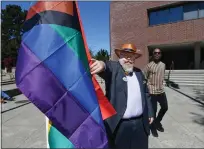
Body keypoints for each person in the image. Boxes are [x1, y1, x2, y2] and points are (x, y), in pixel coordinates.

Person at [90, 43, 154, 149]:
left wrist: (150, 112)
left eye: (131, 56)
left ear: (135, 58)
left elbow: (146, 94)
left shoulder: (139, 73)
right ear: (120, 56)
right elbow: (107, 66)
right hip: (120, 125)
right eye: (125, 56)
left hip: (140, 124)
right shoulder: (114, 69)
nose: (128, 59)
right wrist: (102, 64)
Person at [143, 48, 168, 137]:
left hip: (161, 91)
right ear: (153, 54)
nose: (157, 54)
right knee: (153, 112)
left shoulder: (163, 65)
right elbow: (144, 78)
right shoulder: (149, 66)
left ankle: (157, 122)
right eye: (155, 53)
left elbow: (162, 76)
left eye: (159, 53)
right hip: (152, 92)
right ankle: (153, 127)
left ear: (161, 54)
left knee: (165, 107)